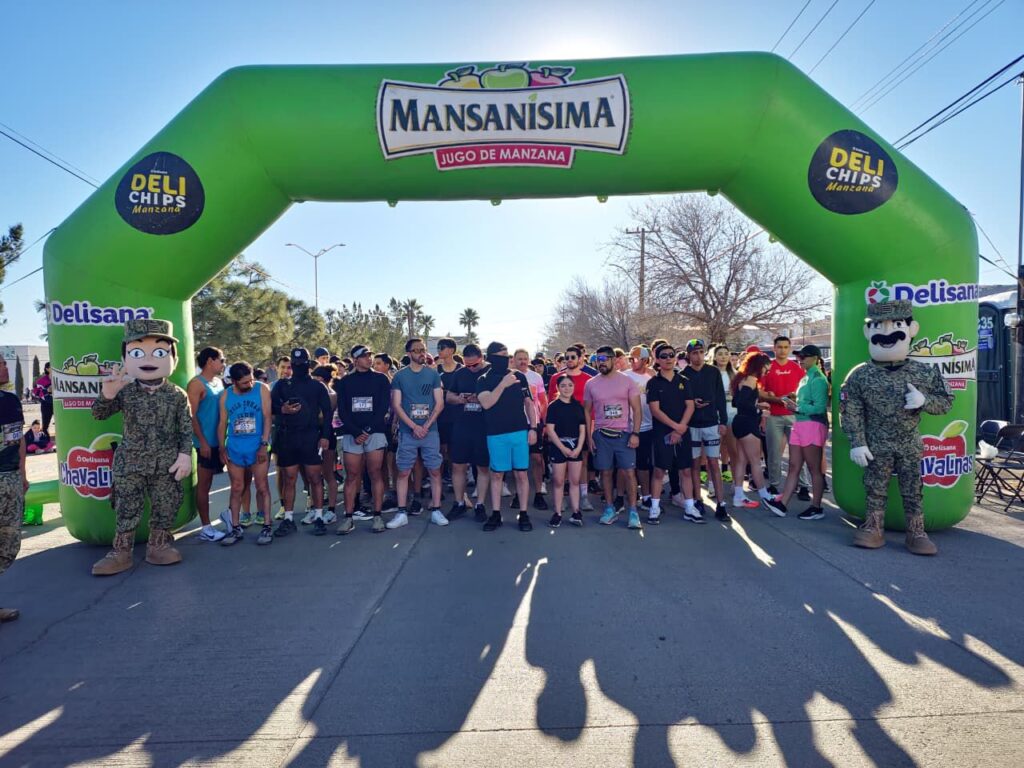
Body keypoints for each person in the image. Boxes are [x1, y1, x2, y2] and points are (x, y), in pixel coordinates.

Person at [91, 319, 193, 576]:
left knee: (166, 504)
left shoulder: (176, 395)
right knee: (126, 506)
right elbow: (99, 414)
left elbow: (185, 428)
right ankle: (121, 553)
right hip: (131, 463)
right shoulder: (125, 391)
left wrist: (184, 455)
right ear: (125, 357)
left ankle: (158, 546)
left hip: (166, 463)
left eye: (158, 352)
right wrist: (108, 394)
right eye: (137, 352)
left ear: (173, 358)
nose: (148, 359)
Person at [270, 348, 333, 537]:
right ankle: (288, 518)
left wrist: (325, 436)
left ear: (308, 364)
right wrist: (283, 409)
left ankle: (319, 516)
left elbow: (327, 413)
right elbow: (271, 407)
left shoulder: (317, 386)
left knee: (315, 478)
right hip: (288, 437)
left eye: (301, 364)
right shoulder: (281, 385)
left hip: (310, 437)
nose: (298, 367)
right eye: (295, 364)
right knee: (289, 478)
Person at [476, 341, 538, 532]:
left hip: (519, 431)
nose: (506, 359)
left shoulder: (519, 376)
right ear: (491, 357)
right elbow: (487, 403)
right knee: (497, 474)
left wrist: (533, 428)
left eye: (507, 355)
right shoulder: (483, 379)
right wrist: (502, 384)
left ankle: (524, 513)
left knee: (521, 473)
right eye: (501, 356)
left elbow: (529, 403)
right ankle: (496, 513)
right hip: (496, 433)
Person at [389, 338, 447, 529]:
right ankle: (401, 512)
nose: (422, 353)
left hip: (431, 432)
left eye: (423, 350)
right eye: (417, 350)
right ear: (409, 353)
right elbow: (396, 405)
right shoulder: (399, 376)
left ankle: (436, 510)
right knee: (404, 471)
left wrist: (426, 426)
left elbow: (439, 403)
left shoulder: (433, 375)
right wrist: (414, 427)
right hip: (408, 432)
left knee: (435, 470)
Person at [584, 345, 643, 530]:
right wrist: (589, 436)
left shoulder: (627, 381)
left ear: (613, 360)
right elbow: (587, 411)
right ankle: (609, 508)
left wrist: (635, 433)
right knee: (606, 472)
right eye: (597, 360)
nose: (600, 363)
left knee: (629, 472)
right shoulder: (591, 383)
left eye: (603, 359)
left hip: (624, 434)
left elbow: (637, 409)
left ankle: (633, 511)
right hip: (601, 435)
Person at [335, 344, 391, 534]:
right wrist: (355, 431)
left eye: (370, 355)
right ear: (355, 359)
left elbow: (384, 406)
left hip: (375, 433)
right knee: (352, 476)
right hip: (352, 434)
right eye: (364, 356)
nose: (369, 358)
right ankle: (348, 518)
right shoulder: (345, 382)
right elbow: (342, 410)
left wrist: (367, 430)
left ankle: (377, 516)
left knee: (375, 473)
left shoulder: (381, 379)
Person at [218, 362, 273, 546]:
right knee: (237, 487)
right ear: (233, 381)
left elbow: (267, 417)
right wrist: (221, 447)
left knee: (262, 486)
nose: (249, 384)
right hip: (235, 446)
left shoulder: (261, 389)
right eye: (244, 382)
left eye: (251, 380)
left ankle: (267, 525)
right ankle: (235, 528)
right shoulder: (226, 395)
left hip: (257, 444)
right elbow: (222, 423)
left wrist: (264, 444)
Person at [773, 345, 829, 519]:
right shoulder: (806, 377)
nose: (800, 359)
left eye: (804, 356)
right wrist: (794, 402)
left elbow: (820, 407)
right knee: (794, 465)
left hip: (813, 425)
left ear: (815, 358)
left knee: (814, 468)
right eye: (799, 356)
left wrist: (797, 407)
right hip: (800, 423)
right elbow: (807, 403)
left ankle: (816, 507)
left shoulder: (818, 379)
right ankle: (782, 504)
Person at [680, 340, 731, 522]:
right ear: (688, 355)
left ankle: (721, 503)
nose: (698, 356)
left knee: (713, 463)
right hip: (692, 425)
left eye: (701, 352)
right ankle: (697, 499)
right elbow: (680, 401)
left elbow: (720, 398)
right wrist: (692, 403)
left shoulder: (713, 371)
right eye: (694, 353)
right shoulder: (683, 375)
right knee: (694, 464)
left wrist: (723, 421)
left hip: (711, 423)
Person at [646, 344, 696, 524]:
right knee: (659, 471)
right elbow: (655, 410)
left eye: (671, 355)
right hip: (662, 432)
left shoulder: (684, 380)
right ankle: (654, 507)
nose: (668, 358)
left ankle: (690, 507)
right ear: (657, 360)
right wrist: (675, 427)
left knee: (686, 470)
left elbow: (690, 405)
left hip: (683, 431)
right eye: (664, 356)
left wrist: (681, 427)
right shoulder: (653, 383)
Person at [730, 353, 785, 515]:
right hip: (748, 423)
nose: (767, 372)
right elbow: (742, 403)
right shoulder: (751, 380)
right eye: (766, 369)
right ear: (759, 366)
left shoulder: (741, 378)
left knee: (741, 461)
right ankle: (765, 495)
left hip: (739, 422)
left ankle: (739, 496)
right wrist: (760, 412)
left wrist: (758, 405)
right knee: (755, 461)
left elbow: (736, 402)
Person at [186, 347, 228, 542]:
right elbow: (191, 416)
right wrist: (202, 442)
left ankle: (231, 517)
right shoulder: (196, 384)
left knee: (236, 479)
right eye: (221, 360)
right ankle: (206, 527)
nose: (223, 363)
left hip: (221, 441)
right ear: (210, 361)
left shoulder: (219, 382)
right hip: (205, 443)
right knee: (204, 485)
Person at [761, 335, 810, 498]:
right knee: (773, 453)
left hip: (794, 416)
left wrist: (795, 397)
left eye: (785, 347)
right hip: (773, 416)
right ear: (774, 348)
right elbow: (759, 392)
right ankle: (774, 485)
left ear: (789, 348)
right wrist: (774, 398)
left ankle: (803, 486)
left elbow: (805, 392)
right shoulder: (767, 367)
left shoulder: (796, 368)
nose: (782, 350)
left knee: (798, 453)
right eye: (779, 347)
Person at [447, 344, 491, 523]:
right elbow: (448, 396)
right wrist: (459, 399)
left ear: (482, 358)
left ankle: (480, 504)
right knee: (458, 465)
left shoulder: (491, 373)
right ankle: (459, 502)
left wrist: (482, 399)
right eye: (468, 365)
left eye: (475, 365)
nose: (471, 368)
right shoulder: (460, 374)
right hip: (462, 426)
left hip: (484, 427)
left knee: (482, 467)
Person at [548, 346, 593, 511]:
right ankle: (563, 498)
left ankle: (583, 496)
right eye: (566, 357)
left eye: (573, 357)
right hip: (560, 427)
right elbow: (551, 400)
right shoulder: (556, 378)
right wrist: (548, 430)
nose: (569, 360)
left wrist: (590, 431)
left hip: (582, 425)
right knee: (562, 466)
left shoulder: (589, 379)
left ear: (581, 358)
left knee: (582, 461)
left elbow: (591, 407)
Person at [0, 357, 28, 622]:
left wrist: (23, 474)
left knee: (9, 543)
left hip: (10, 478)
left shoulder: (10, 401)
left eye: (4, 363)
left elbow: (17, 439)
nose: (5, 367)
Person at [544, 374, 586, 527]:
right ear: (558, 388)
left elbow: (582, 430)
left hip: (575, 447)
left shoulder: (578, 406)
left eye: (570, 385)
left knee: (574, 481)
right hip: (559, 447)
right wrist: (563, 448)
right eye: (563, 386)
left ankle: (576, 512)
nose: (567, 388)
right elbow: (550, 430)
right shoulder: (553, 406)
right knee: (558, 481)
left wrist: (578, 448)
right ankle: (557, 513)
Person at [514, 349, 549, 511]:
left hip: (534, 423)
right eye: (519, 359)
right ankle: (518, 494)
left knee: (537, 459)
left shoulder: (536, 377)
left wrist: (544, 422)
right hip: (516, 424)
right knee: (518, 461)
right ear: (514, 360)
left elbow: (543, 401)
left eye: (525, 359)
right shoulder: (509, 377)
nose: (522, 361)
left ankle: (539, 493)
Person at [625, 346, 655, 509]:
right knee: (627, 465)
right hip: (628, 426)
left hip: (648, 425)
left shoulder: (652, 375)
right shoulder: (625, 376)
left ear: (645, 360)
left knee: (644, 464)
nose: (631, 361)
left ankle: (646, 496)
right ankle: (625, 496)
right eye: (630, 358)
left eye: (634, 359)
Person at [311, 365, 340, 525]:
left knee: (328, 473)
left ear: (321, 379)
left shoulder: (332, 394)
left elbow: (323, 417)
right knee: (313, 475)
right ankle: (315, 509)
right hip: (312, 435)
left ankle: (331, 510)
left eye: (315, 379)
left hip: (327, 435)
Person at [709, 344, 737, 488]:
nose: (724, 357)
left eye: (726, 353)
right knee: (713, 452)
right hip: (715, 415)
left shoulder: (735, 374)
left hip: (732, 414)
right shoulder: (710, 373)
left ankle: (736, 484)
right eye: (720, 354)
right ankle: (712, 484)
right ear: (714, 357)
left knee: (733, 450)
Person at [436, 338, 462, 491]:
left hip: (457, 416)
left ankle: (455, 481)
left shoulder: (461, 370)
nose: (439, 350)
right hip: (439, 416)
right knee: (440, 450)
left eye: (442, 347)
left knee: (455, 451)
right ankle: (437, 483)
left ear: (451, 350)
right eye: (438, 347)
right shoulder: (435, 370)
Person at [33, 362, 54, 436]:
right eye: (52, 366)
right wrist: (47, 390)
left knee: (62, 422)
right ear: (47, 369)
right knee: (45, 425)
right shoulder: (41, 381)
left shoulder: (60, 379)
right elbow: (36, 392)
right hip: (46, 404)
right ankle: (46, 440)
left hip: (59, 404)